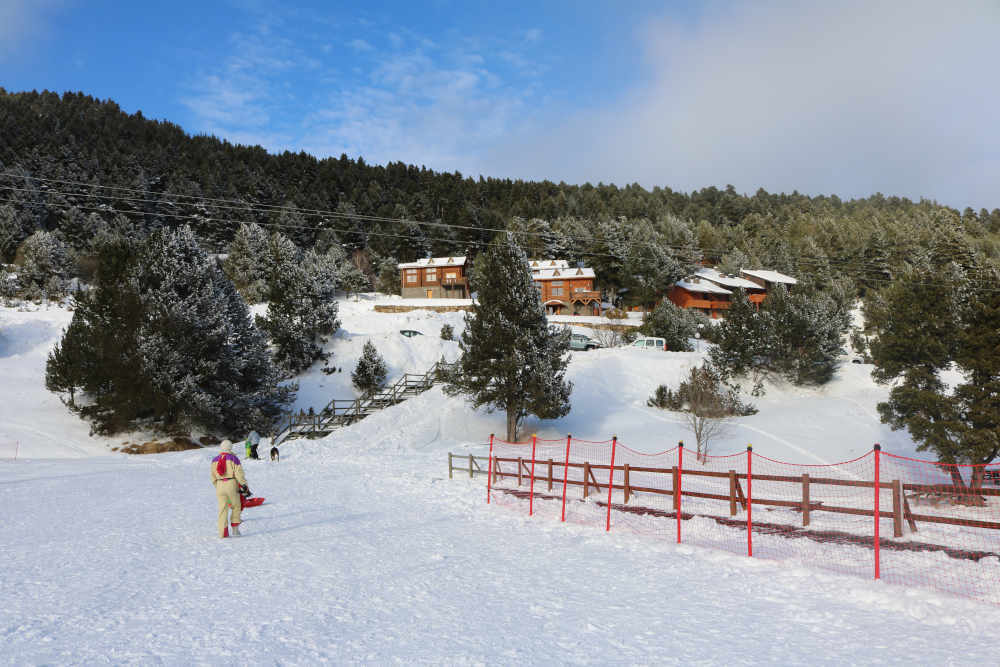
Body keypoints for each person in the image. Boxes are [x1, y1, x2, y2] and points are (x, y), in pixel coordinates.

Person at [211, 440, 247, 538]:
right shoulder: (234, 458)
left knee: (222, 509)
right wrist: (244, 485)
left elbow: (212, 476)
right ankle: (235, 530)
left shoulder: (214, 460)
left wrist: (217, 485)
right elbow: (239, 474)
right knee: (236, 506)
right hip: (231, 483)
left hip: (219, 484)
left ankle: (223, 532)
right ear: (230, 447)